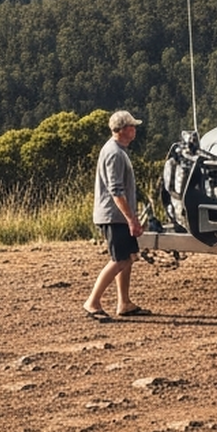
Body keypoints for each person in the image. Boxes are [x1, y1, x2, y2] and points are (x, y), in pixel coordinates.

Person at [84, 109, 147, 321]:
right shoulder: (114, 153)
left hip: (117, 215)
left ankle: (124, 303)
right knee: (119, 259)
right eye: (132, 126)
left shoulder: (118, 150)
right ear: (122, 129)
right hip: (113, 216)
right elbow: (116, 190)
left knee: (128, 258)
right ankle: (92, 302)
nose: (135, 130)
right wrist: (131, 219)